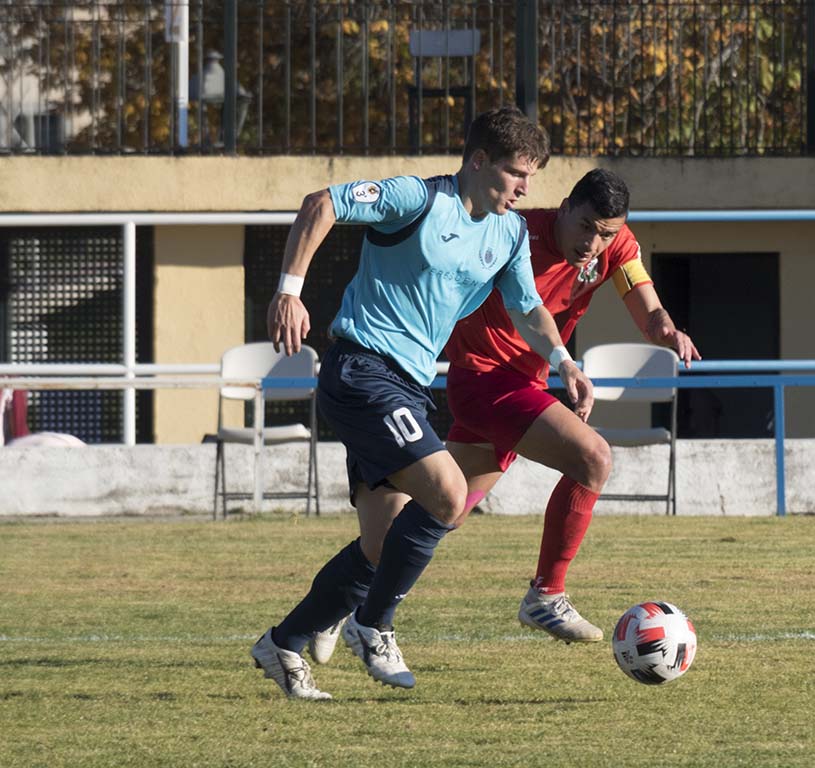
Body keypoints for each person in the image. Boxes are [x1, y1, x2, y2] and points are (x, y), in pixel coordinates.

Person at [250, 106, 595, 698]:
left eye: (531, 177)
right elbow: (320, 204)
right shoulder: (417, 199)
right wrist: (289, 292)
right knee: (450, 495)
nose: (524, 188)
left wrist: (564, 361)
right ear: (478, 161)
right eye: (516, 173)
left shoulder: (509, 234)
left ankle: (283, 642)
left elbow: (528, 307)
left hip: (409, 386)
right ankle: (373, 627)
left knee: (381, 545)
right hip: (361, 368)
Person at [442, 168, 699, 642]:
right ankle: (546, 595)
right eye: (585, 227)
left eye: (605, 234)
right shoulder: (515, 234)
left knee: (442, 511)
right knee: (593, 458)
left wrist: (664, 327)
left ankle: (346, 598)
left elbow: (646, 305)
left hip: (524, 385)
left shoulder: (615, 246)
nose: (592, 244)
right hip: (483, 380)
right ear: (564, 209)